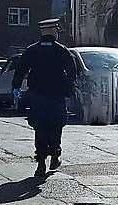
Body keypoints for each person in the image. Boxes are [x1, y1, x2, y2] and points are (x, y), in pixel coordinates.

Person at [12, 18, 77, 178]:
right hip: (56, 97)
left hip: (37, 97)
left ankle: (41, 163)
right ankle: (55, 154)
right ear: (54, 31)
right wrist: (68, 89)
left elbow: (20, 70)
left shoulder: (32, 50)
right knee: (56, 126)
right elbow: (72, 71)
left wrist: (16, 88)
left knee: (40, 128)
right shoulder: (62, 50)